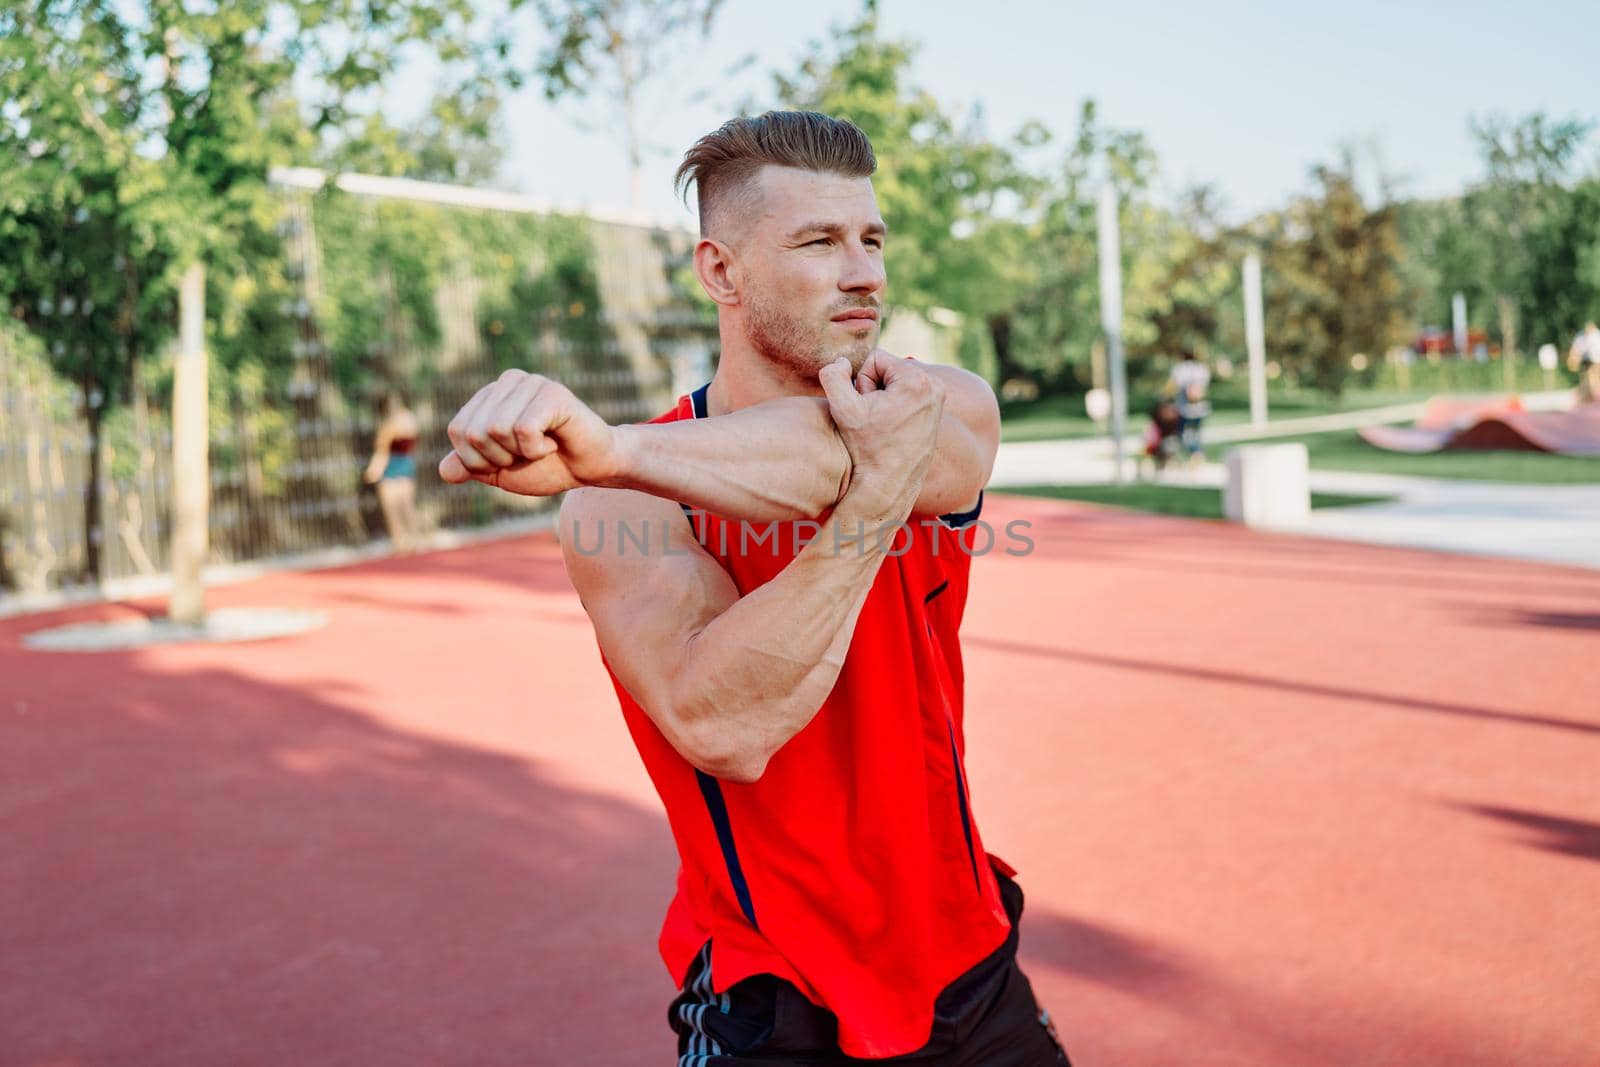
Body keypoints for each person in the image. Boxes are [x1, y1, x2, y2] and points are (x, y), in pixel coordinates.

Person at [438, 111, 1070, 1066]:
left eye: (872, 239)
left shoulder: (942, 404)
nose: (864, 272)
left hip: (967, 960)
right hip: (771, 994)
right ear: (721, 272)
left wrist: (614, 451)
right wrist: (864, 517)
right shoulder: (625, 508)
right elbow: (724, 731)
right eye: (818, 241)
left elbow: (823, 448)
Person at [363, 390, 421, 553]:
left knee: (399, 505)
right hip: (398, 464)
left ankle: (408, 540)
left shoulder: (395, 423)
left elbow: (383, 450)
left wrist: (374, 470)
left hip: (397, 464)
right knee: (398, 506)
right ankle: (405, 541)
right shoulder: (401, 421)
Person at [1167, 350, 1211, 463]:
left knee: (1182, 434)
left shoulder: (1180, 369)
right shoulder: (1202, 368)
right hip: (1200, 408)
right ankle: (1196, 453)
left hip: (1184, 409)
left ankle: (1195, 454)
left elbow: (1172, 386)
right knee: (1194, 433)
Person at [1570, 321, 1600, 404]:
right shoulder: (1580, 335)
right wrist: (1573, 359)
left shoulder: (1597, 335)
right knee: (1585, 378)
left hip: (1596, 360)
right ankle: (1589, 396)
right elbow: (1575, 348)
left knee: (1593, 377)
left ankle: (1594, 395)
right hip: (1585, 360)